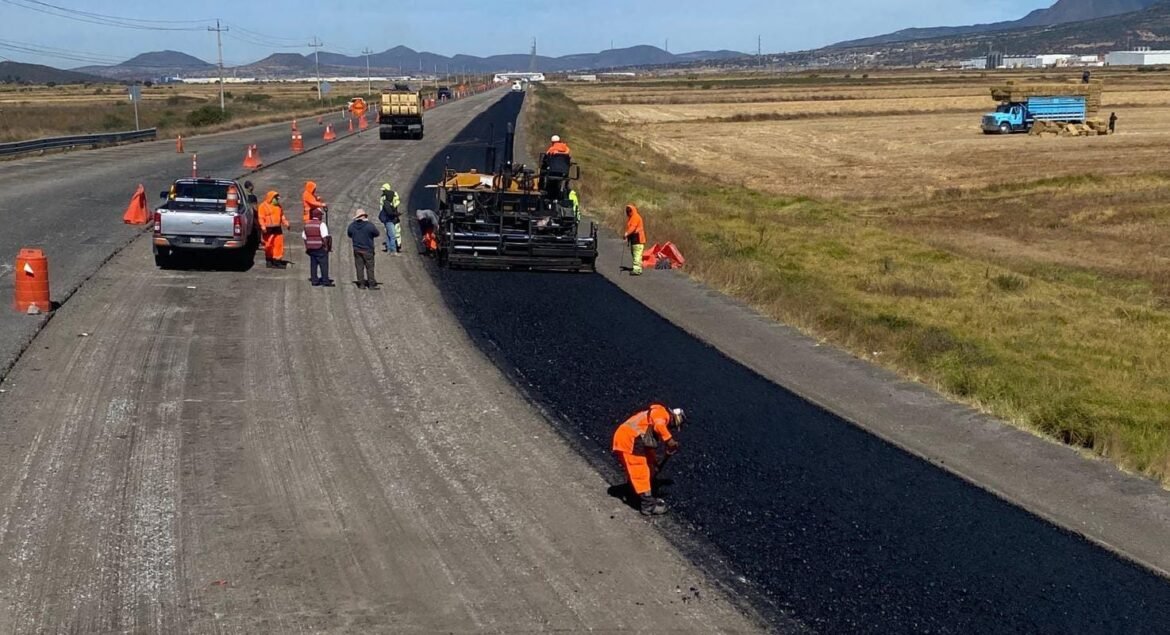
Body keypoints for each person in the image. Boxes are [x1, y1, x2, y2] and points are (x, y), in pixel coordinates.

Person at [612, 404, 686, 516]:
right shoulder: (662, 414)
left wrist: (655, 462)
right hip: (630, 440)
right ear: (676, 418)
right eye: (674, 426)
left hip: (627, 439)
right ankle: (648, 505)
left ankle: (632, 491)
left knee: (647, 467)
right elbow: (659, 426)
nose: (672, 428)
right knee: (641, 473)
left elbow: (648, 447)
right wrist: (669, 440)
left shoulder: (651, 420)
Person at [347, 209, 380, 289]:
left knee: (359, 267)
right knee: (370, 267)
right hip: (368, 249)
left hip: (357, 249)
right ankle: (371, 284)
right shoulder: (369, 225)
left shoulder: (352, 226)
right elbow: (377, 233)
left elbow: (349, 234)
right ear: (364, 216)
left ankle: (361, 284)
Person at [257, 190, 289, 268]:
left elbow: (282, 216)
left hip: (277, 228)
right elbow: (261, 218)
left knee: (278, 245)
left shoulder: (278, 206)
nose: (277, 200)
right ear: (271, 198)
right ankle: (269, 261)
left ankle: (277, 261)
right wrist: (263, 227)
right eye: (276, 198)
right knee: (268, 245)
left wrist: (286, 223)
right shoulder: (263, 206)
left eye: (277, 199)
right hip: (268, 229)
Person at [302, 207, 333, 286]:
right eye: (321, 215)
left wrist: (307, 246)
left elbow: (304, 237)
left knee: (313, 265)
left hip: (311, 248)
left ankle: (314, 281)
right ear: (318, 216)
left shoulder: (307, 224)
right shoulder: (321, 224)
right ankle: (325, 281)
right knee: (324, 264)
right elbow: (324, 237)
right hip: (320, 247)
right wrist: (326, 247)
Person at [378, 183, 402, 253]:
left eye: (384, 190)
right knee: (392, 235)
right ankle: (393, 250)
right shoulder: (385, 199)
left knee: (393, 233)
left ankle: (396, 246)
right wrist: (396, 213)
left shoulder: (393, 195)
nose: (383, 191)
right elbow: (388, 211)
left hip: (391, 218)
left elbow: (397, 202)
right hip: (389, 218)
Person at [624, 203, 646, 276]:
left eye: (628, 211)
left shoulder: (635, 217)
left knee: (637, 254)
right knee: (636, 254)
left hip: (638, 239)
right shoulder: (632, 217)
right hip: (635, 239)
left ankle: (636, 270)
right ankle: (638, 269)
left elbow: (632, 228)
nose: (627, 213)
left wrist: (626, 234)